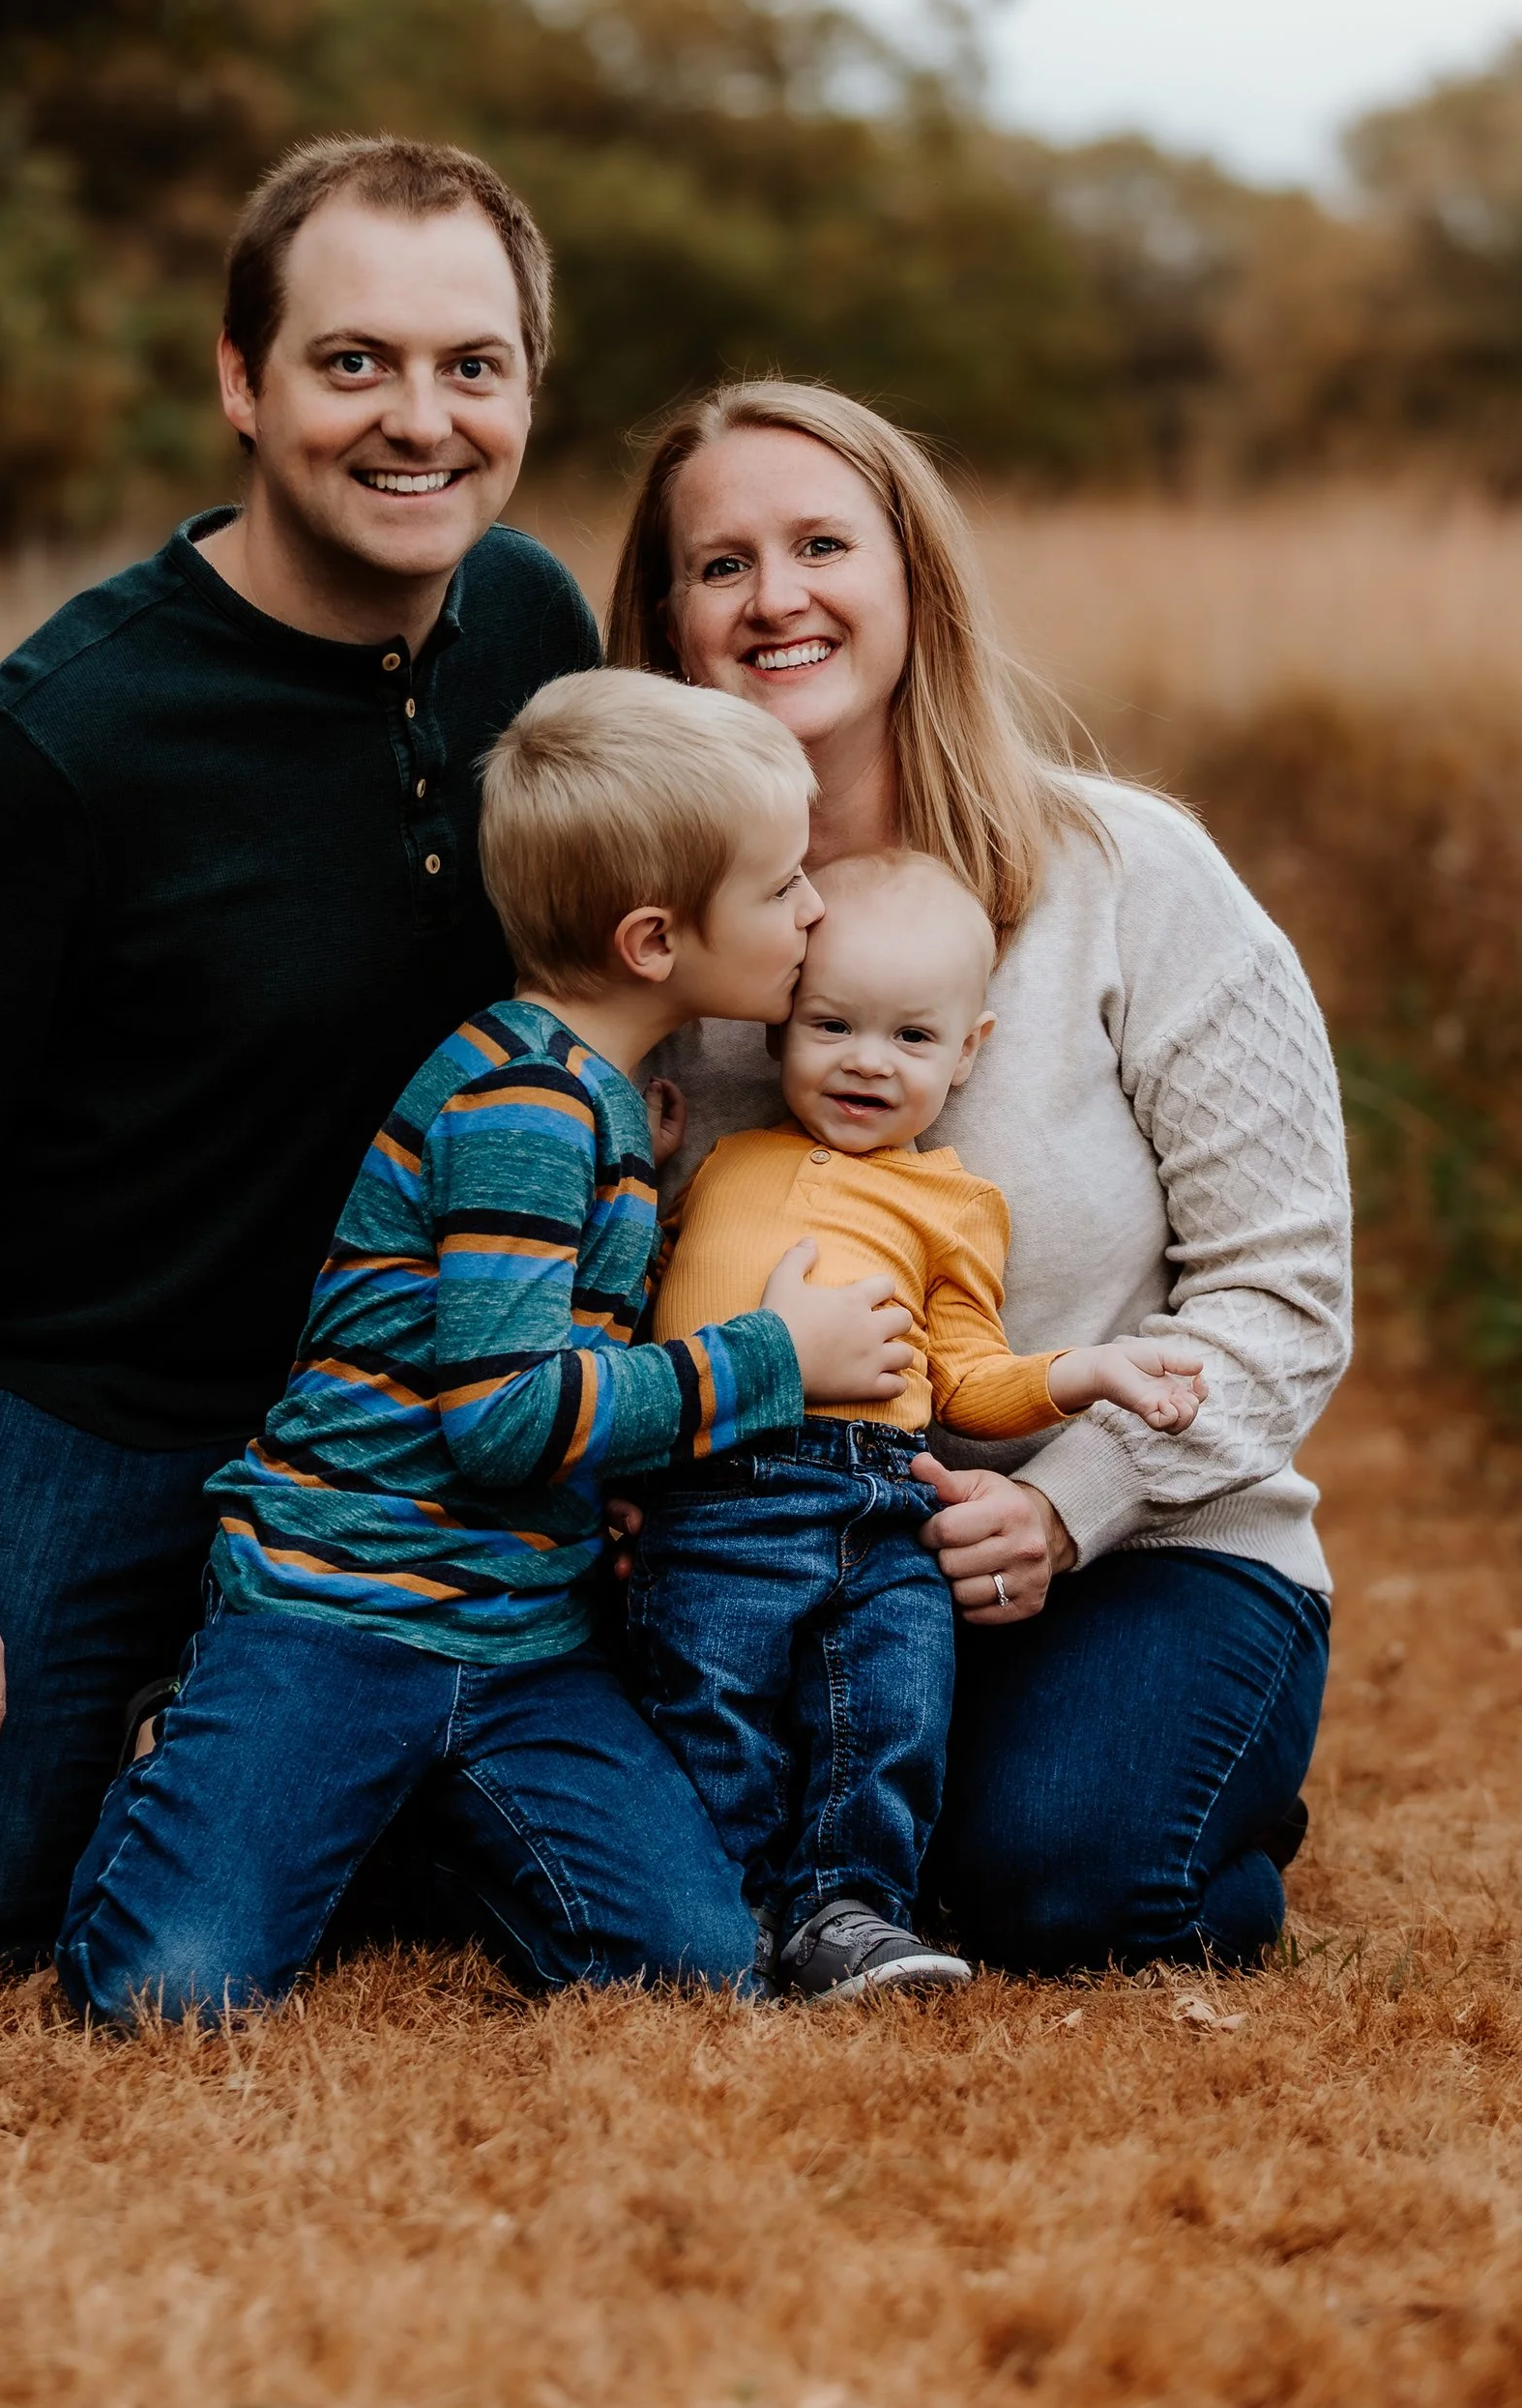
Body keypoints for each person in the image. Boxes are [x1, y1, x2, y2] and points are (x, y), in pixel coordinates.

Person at [0, 135, 604, 1988]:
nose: (419, 422)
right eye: (352, 362)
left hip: (424, 1402)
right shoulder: (60, 745)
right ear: (243, 379)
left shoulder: (536, 631)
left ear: (531, 385)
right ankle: (196, 1706)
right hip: (100, 1410)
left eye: (474, 367)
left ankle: (254, 1730)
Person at [54, 670, 922, 2027]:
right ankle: (194, 1739)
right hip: (340, 1610)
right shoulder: (525, 1105)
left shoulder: (601, 1096)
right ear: (653, 940)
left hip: (526, 1638)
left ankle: (395, 1814)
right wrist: (775, 1359)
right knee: (167, 1993)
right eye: (781, 888)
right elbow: (505, 1416)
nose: (814, 910)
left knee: (691, 1969)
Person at [612, 382, 1349, 1974]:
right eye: (721, 563)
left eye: (822, 544)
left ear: (913, 581)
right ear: (666, 620)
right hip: (748, 1558)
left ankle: (1174, 1796)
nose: (776, 596)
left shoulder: (1126, 876)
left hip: (1134, 1551)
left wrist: (1066, 1507)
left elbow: (1285, 1295)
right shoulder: (650, 946)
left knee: (1065, 1885)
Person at [629, 849, 1206, 2002]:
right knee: (709, 1700)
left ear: (969, 1051)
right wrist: (638, 1170)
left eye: (910, 1039)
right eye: (832, 1024)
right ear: (779, 1027)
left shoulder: (952, 1201)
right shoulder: (721, 1159)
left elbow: (968, 1383)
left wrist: (1081, 1373)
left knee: (885, 1709)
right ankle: (728, 1914)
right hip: (716, 1496)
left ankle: (849, 1913)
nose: (864, 1062)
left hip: (884, 1498)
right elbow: (644, 1296)